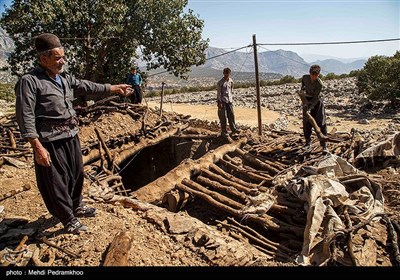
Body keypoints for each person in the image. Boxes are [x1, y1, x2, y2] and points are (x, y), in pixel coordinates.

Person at [15, 33, 132, 234]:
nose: (63, 61)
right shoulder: (30, 81)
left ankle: (77, 205)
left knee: (76, 172)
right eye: (58, 58)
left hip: (71, 135)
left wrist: (114, 88)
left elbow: (88, 86)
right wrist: (37, 147)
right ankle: (67, 218)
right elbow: (24, 115)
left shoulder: (64, 78)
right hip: (50, 140)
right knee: (56, 180)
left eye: (63, 56)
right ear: (43, 59)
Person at [300, 64, 328, 153]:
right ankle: (308, 143)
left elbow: (316, 97)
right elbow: (303, 86)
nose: (313, 77)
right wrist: (303, 93)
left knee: (321, 122)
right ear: (310, 73)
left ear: (318, 75)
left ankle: (324, 145)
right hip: (306, 100)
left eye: (316, 76)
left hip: (316, 102)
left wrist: (310, 107)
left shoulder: (319, 84)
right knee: (306, 122)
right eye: (312, 75)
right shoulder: (305, 78)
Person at [216, 67, 239, 137]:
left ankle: (233, 129)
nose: (226, 75)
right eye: (225, 74)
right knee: (223, 116)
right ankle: (224, 130)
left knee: (231, 115)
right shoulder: (220, 82)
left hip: (229, 100)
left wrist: (231, 98)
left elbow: (231, 89)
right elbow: (219, 93)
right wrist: (219, 102)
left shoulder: (231, 81)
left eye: (228, 74)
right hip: (222, 101)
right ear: (223, 73)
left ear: (229, 74)